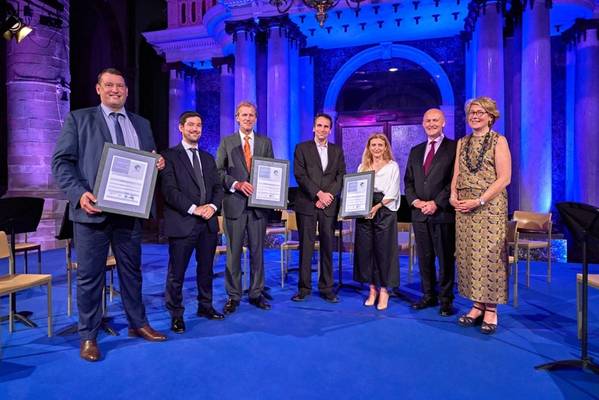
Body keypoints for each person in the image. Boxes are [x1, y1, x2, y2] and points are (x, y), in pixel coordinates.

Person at [52, 68, 167, 362]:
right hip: (93, 212)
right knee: (90, 276)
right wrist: (79, 194)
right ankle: (88, 335)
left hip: (129, 213)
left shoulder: (141, 124)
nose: (115, 89)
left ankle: (137, 323)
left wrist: (157, 163)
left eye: (120, 85)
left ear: (126, 91)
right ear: (98, 89)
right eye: (109, 85)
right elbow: (62, 163)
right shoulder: (79, 119)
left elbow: (145, 162)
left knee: (132, 273)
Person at [450, 96, 511, 334]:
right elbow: (456, 172)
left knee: (489, 257)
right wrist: (453, 194)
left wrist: (480, 199)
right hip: (464, 206)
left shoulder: (499, 141)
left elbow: (504, 178)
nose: (475, 116)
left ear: (491, 116)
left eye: (480, 112)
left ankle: (491, 310)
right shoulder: (462, 142)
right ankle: (476, 305)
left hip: (489, 206)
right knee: (468, 256)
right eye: (472, 113)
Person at [160, 111, 225, 334]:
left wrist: (213, 207)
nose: (195, 129)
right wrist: (193, 208)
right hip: (183, 222)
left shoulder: (208, 158)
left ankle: (205, 306)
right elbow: (169, 191)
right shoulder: (169, 156)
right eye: (191, 125)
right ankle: (176, 314)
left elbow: (218, 188)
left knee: (206, 270)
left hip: (208, 223)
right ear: (181, 127)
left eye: (198, 125)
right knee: (176, 273)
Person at [215, 101, 274, 313]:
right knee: (233, 253)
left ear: (255, 118)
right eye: (244, 115)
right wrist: (236, 184)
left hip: (258, 207)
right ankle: (233, 295)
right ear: (237, 118)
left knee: (258, 252)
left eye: (251, 115)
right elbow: (218, 172)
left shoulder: (265, 143)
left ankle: (256, 293)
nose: (248, 118)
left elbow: (272, 171)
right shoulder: (227, 142)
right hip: (234, 205)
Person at [405, 108, 457, 316]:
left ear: (443, 122)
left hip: (442, 214)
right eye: (427, 120)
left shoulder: (454, 148)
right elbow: (408, 182)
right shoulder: (415, 150)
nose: (431, 123)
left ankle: (446, 300)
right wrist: (415, 201)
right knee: (425, 258)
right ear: (423, 123)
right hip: (420, 215)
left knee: (444, 259)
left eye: (435, 120)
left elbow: (454, 181)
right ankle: (428, 295)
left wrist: (437, 202)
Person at [291, 113, 346, 303]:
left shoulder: (337, 151)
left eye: (326, 126)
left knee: (327, 246)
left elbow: (341, 176)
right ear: (314, 127)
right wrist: (318, 194)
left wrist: (328, 195)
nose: (322, 129)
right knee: (306, 247)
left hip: (328, 205)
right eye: (319, 126)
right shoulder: (301, 148)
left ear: (330, 130)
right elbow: (300, 175)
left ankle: (327, 288)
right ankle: (304, 288)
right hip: (307, 203)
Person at [353, 133, 400, 310]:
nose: (377, 148)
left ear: (386, 147)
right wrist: (360, 207)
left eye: (381, 145)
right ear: (369, 147)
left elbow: (393, 191)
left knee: (384, 251)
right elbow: (357, 189)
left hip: (384, 211)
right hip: (364, 210)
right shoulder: (362, 167)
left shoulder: (392, 166)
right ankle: (372, 290)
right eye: (374, 145)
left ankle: (384, 291)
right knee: (366, 251)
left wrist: (377, 206)